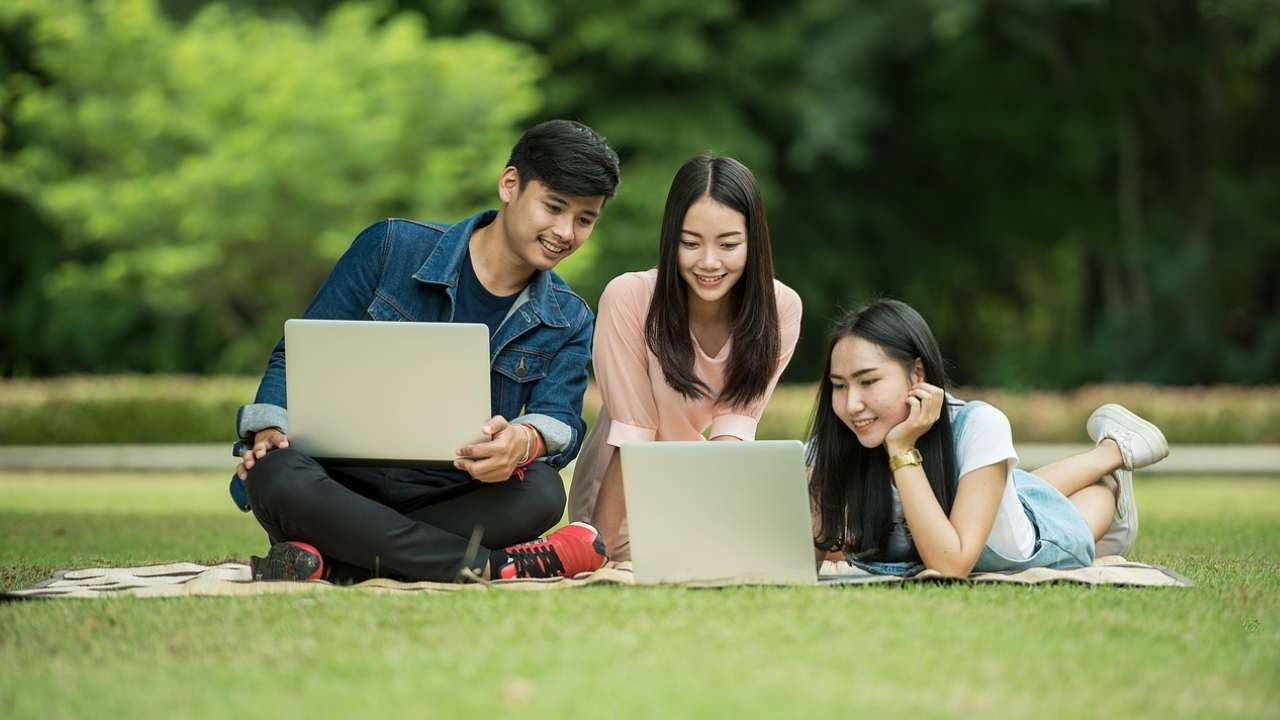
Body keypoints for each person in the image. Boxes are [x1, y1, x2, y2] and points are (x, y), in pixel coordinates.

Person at [232, 120, 619, 583]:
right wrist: (270, 428)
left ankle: (332, 558)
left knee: (540, 491)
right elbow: (294, 355)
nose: (565, 231)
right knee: (274, 472)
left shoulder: (570, 317)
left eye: (584, 219)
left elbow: (558, 419)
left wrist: (524, 441)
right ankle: (493, 566)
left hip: (452, 491)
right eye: (554, 207)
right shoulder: (390, 247)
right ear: (510, 184)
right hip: (335, 481)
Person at [807, 298, 1170, 577]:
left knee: (1090, 498)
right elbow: (808, 554)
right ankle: (1111, 449)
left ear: (917, 374)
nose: (852, 404)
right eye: (839, 386)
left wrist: (902, 450)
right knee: (1016, 487)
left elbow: (950, 566)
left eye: (868, 381)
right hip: (996, 495)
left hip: (1031, 537)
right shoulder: (839, 441)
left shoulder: (980, 425)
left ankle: (1111, 460)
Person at [568, 155, 803, 561]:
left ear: (754, 241)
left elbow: (733, 435)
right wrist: (599, 554)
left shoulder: (780, 308)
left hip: (705, 482)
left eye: (728, 244)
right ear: (670, 239)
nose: (708, 262)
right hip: (618, 492)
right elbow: (632, 438)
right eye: (690, 243)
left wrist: (714, 527)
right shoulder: (630, 298)